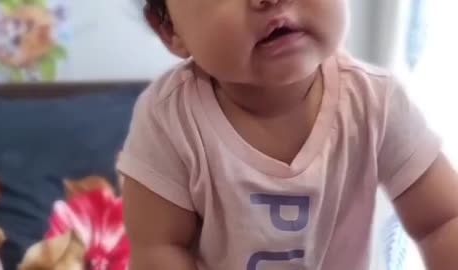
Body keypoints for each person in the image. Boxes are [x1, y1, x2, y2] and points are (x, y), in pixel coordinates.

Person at [117, 0, 458, 269]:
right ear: (169, 28)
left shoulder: (374, 102)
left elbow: (444, 220)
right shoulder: (169, 121)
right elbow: (160, 252)